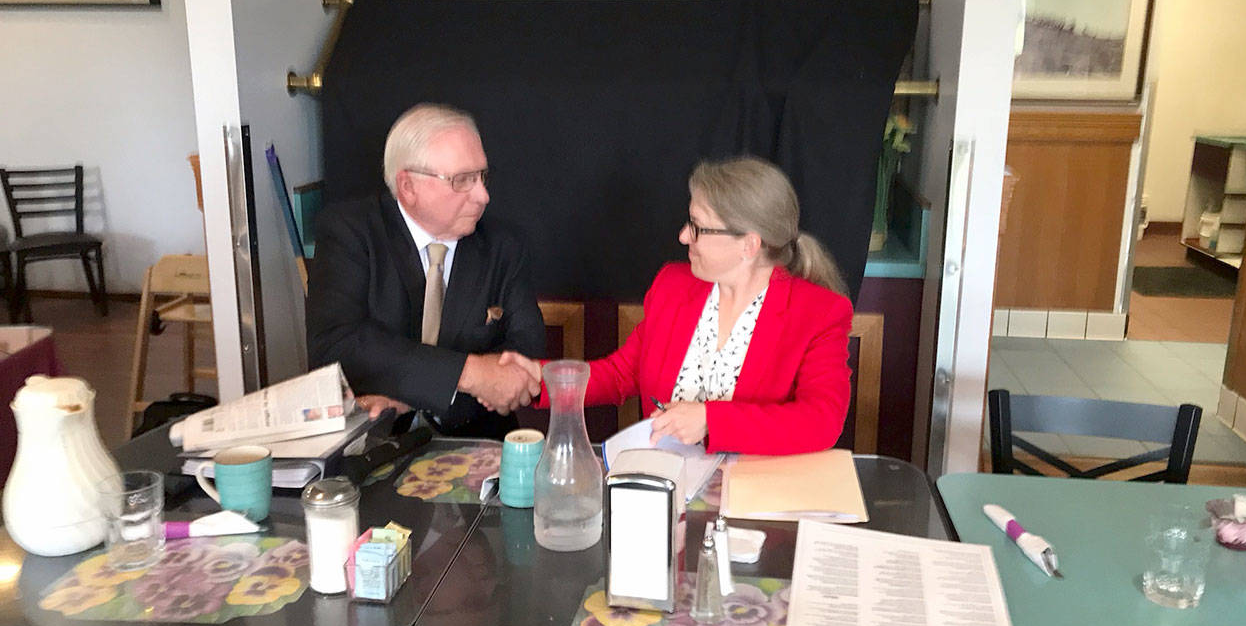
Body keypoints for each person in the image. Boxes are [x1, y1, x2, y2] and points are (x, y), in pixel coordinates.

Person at [505, 156, 853, 455]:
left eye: (698, 228)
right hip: (665, 488)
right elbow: (621, 374)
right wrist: (544, 379)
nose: (683, 236)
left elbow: (821, 421)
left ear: (749, 245)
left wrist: (709, 420)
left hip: (755, 495)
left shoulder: (820, 313)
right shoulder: (673, 286)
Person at [306, 103, 544, 439]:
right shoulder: (350, 233)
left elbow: (524, 354)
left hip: (475, 440)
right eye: (463, 180)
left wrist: (411, 396)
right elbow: (337, 344)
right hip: (371, 443)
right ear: (408, 186)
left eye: (482, 177)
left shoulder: (503, 247)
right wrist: (470, 373)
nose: (483, 195)